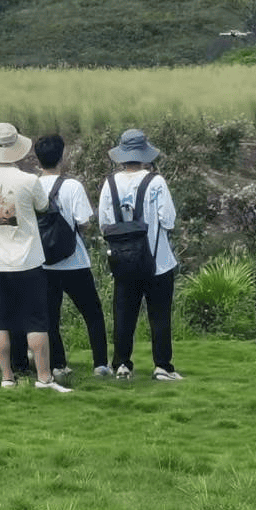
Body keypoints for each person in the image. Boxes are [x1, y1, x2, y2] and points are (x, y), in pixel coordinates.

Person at [0, 122, 70, 392]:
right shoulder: (29, 181)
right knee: (36, 321)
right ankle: (43, 377)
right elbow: (43, 207)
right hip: (27, 259)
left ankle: (7, 377)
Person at [98, 128, 183, 381]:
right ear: (144, 153)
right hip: (157, 260)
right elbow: (168, 220)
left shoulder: (110, 183)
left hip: (122, 260)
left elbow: (104, 223)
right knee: (159, 315)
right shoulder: (156, 182)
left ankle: (122, 364)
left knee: (124, 314)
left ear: (122, 155)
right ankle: (162, 366)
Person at [36, 134, 109, 380]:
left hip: (43, 262)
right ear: (62, 157)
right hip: (74, 260)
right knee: (92, 313)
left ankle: (58, 364)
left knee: (50, 318)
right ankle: (100, 364)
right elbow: (84, 222)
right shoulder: (72, 186)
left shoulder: (32, 186)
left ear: (38, 159)